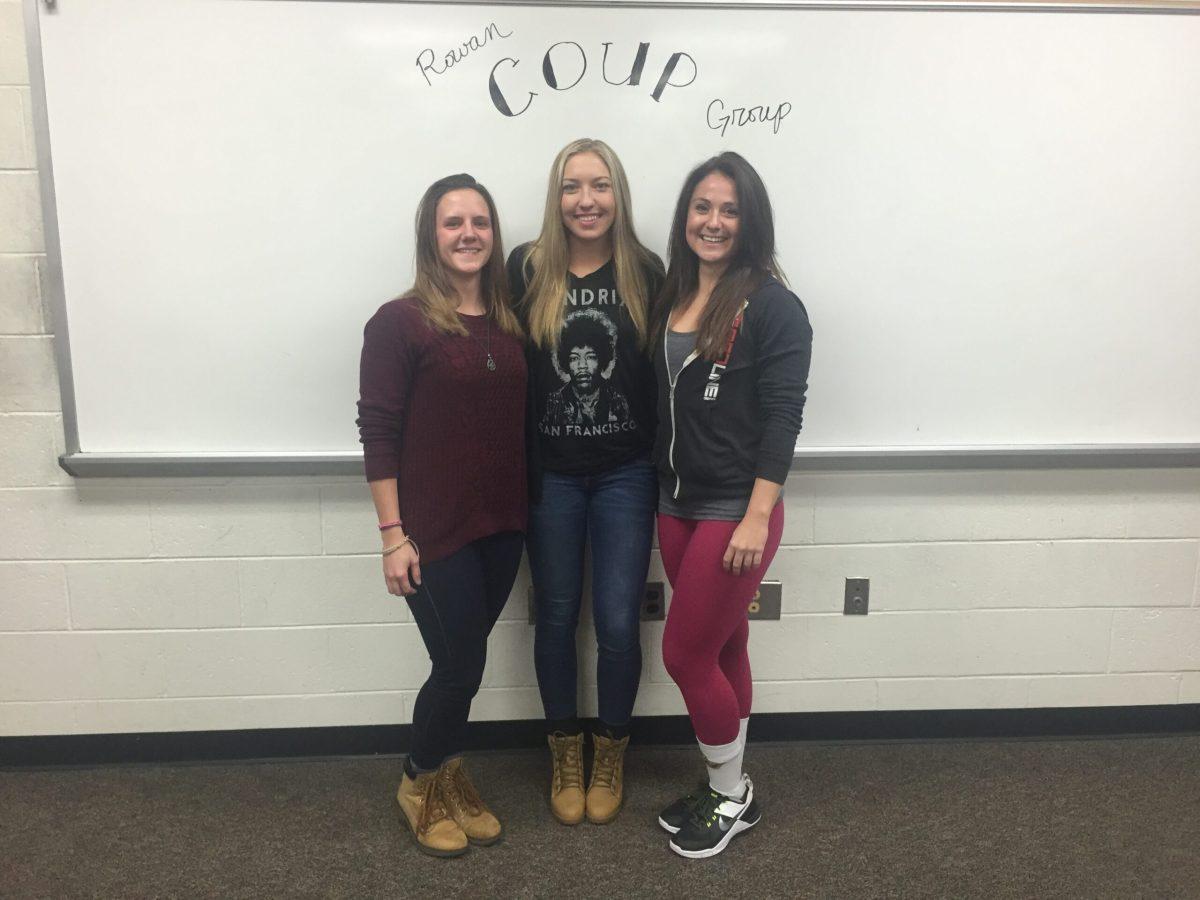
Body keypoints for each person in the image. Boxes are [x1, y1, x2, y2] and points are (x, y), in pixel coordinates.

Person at [356, 173, 526, 857]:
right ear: (431, 234)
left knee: (468, 659)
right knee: (458, 665)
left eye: (479, 222)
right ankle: (417, 779)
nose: (468, 234)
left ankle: (450, 771)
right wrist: (392, 536)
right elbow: (378, 431)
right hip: (433, 532)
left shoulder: (511, 320)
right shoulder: (399, 321)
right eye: (453, 222)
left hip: (503, 525)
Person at [652, 152, 812, 859]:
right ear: (686, 215)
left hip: (734, 510)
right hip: (675, 503)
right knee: (722, 645)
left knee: (684, 654)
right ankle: (728, 783)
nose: (712, 222)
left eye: (728, 210)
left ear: (750, 221)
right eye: (702, 207)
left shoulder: (775, 305)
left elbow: (784, 417)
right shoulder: (674, 292)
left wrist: (755, 515)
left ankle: (729, 792)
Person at [506, 138, 664, 826]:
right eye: (572, 187)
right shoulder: (527, 267)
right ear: (557, 196)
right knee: (557, 618)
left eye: (600, 186)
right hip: (553, 481)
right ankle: (564, 749)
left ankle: (612, 749)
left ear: (617, 194)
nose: (587, 200)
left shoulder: (647, 270)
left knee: (620, 623)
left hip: (626, 475)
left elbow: (663, 378)